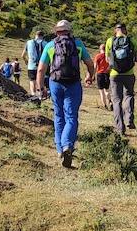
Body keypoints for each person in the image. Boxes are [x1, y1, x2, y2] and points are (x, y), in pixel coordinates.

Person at [37, 20, 95, 168]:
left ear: (57, 32)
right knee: (71, 116)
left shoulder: (50, 45)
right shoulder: (78, 44)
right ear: (70, 31)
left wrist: (41, 87)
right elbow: (89, 63)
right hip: (73, 84)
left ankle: (59, 149)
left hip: (55, 83)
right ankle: (67, 145)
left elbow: (41, 69)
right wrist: (90, 76)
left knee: (58, 115)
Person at [105, 22, 137, 135]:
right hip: (129, 74)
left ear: (116, 30)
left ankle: (120, 128)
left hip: (115, 74)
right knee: (129, 95)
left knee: (116, 101)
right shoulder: (132, 41)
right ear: (125, 30)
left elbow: (107, 59)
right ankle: (129, 119)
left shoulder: (110, 41)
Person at [25, 30, 46, 99]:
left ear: (35, 35)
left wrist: (26, 61)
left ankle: (33, 95)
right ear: (43, 36)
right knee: (41, 79)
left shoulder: (29, 42)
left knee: (32, 80)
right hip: (42, 65)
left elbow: (23, 55)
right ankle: (41, 94)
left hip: (31, 65)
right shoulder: (45, 43)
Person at [93, 44, 112, 111]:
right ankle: (110, 101)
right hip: (107, 74)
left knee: (101, 91)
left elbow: (95, 67)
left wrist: (93, 75)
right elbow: (111, 65)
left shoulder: (98, 56)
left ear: (100, 49)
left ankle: (105, 105)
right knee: (107, 90)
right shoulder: (108, 56)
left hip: (100, 74)